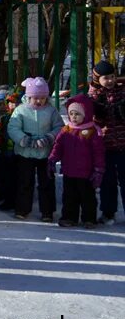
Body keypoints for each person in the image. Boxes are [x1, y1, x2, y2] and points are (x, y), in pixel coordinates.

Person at [7, 76, 62, 222]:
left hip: (45, 153)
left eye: (42, 98)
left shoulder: (51, 111)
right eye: (35, 98)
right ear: (28, 97)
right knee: (25, 181)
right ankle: (22, 209)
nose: (39, 101)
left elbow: (59, 127)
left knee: (47, 182)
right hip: (25, 153)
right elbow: (13, 128)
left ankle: (47, 211)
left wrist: (50, 137)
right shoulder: (21, 110)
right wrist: (24, 140)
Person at [49, 95, 104, 229]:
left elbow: (99, 152)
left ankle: (89, 219)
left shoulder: (92, 131)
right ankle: (69, 217)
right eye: (71, 114)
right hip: (69, 171)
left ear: (86, 114)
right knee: (69, 197)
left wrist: (99, 169)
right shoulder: (66, 130)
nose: (74, 117)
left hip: (86, 173)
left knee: (88, 198)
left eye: (78, 114)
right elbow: (58, 146)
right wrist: (52, 159)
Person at [89, 61, 124, 224]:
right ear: (97, 79)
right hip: (105, 146)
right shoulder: (94, 96)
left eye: (112, 77)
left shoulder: (122, 91)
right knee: (107, 181)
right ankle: (108, 212)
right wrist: (98, 112)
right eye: (105, 78)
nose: (110, 81)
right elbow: (92, 121)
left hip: (123, 144)